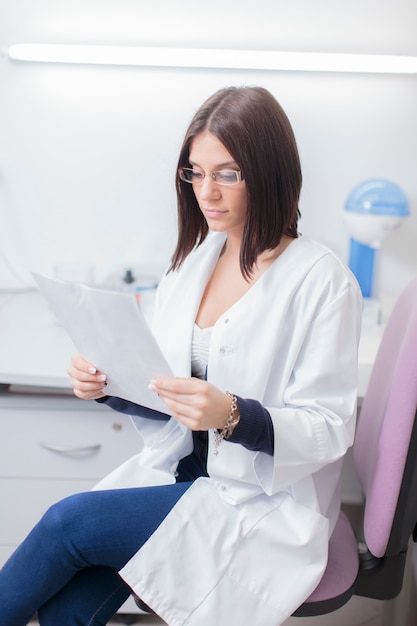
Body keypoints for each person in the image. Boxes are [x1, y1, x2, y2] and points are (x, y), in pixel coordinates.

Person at [0, 86, 362, 626]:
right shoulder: (193, 262)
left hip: (260, 501)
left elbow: (329, 428)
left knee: (66, 525)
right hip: (183, 477)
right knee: (68, 607)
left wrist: (233, 415)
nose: (206, 192)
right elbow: (169, 400)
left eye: (228, 173)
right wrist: (110, 386)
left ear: (270, 172)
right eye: (195, 172)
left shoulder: (321, 281)